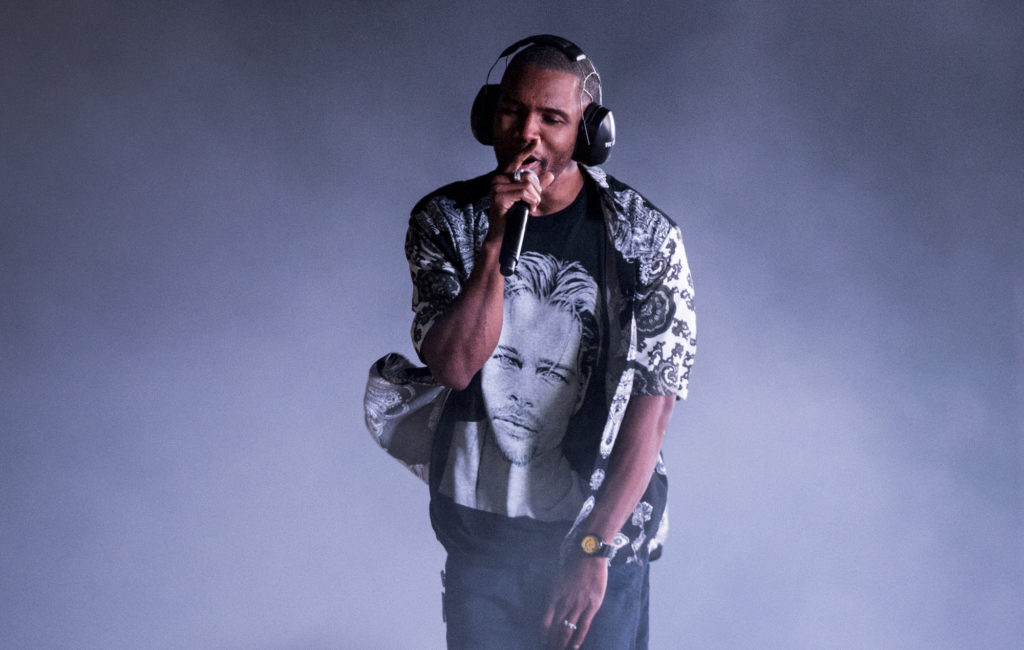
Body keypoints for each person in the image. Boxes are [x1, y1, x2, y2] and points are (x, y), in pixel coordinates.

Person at [365, 34, 696, 649]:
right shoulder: (446, 222)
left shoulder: (646, 238)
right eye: (513, 112)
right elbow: (455, 365)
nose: (527, 135)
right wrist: (496, 242)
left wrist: (594, 547)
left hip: (599, 540)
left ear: (589, 132)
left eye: (552, 119)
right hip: (484, 542)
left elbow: (654, 408)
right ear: (488, 114)